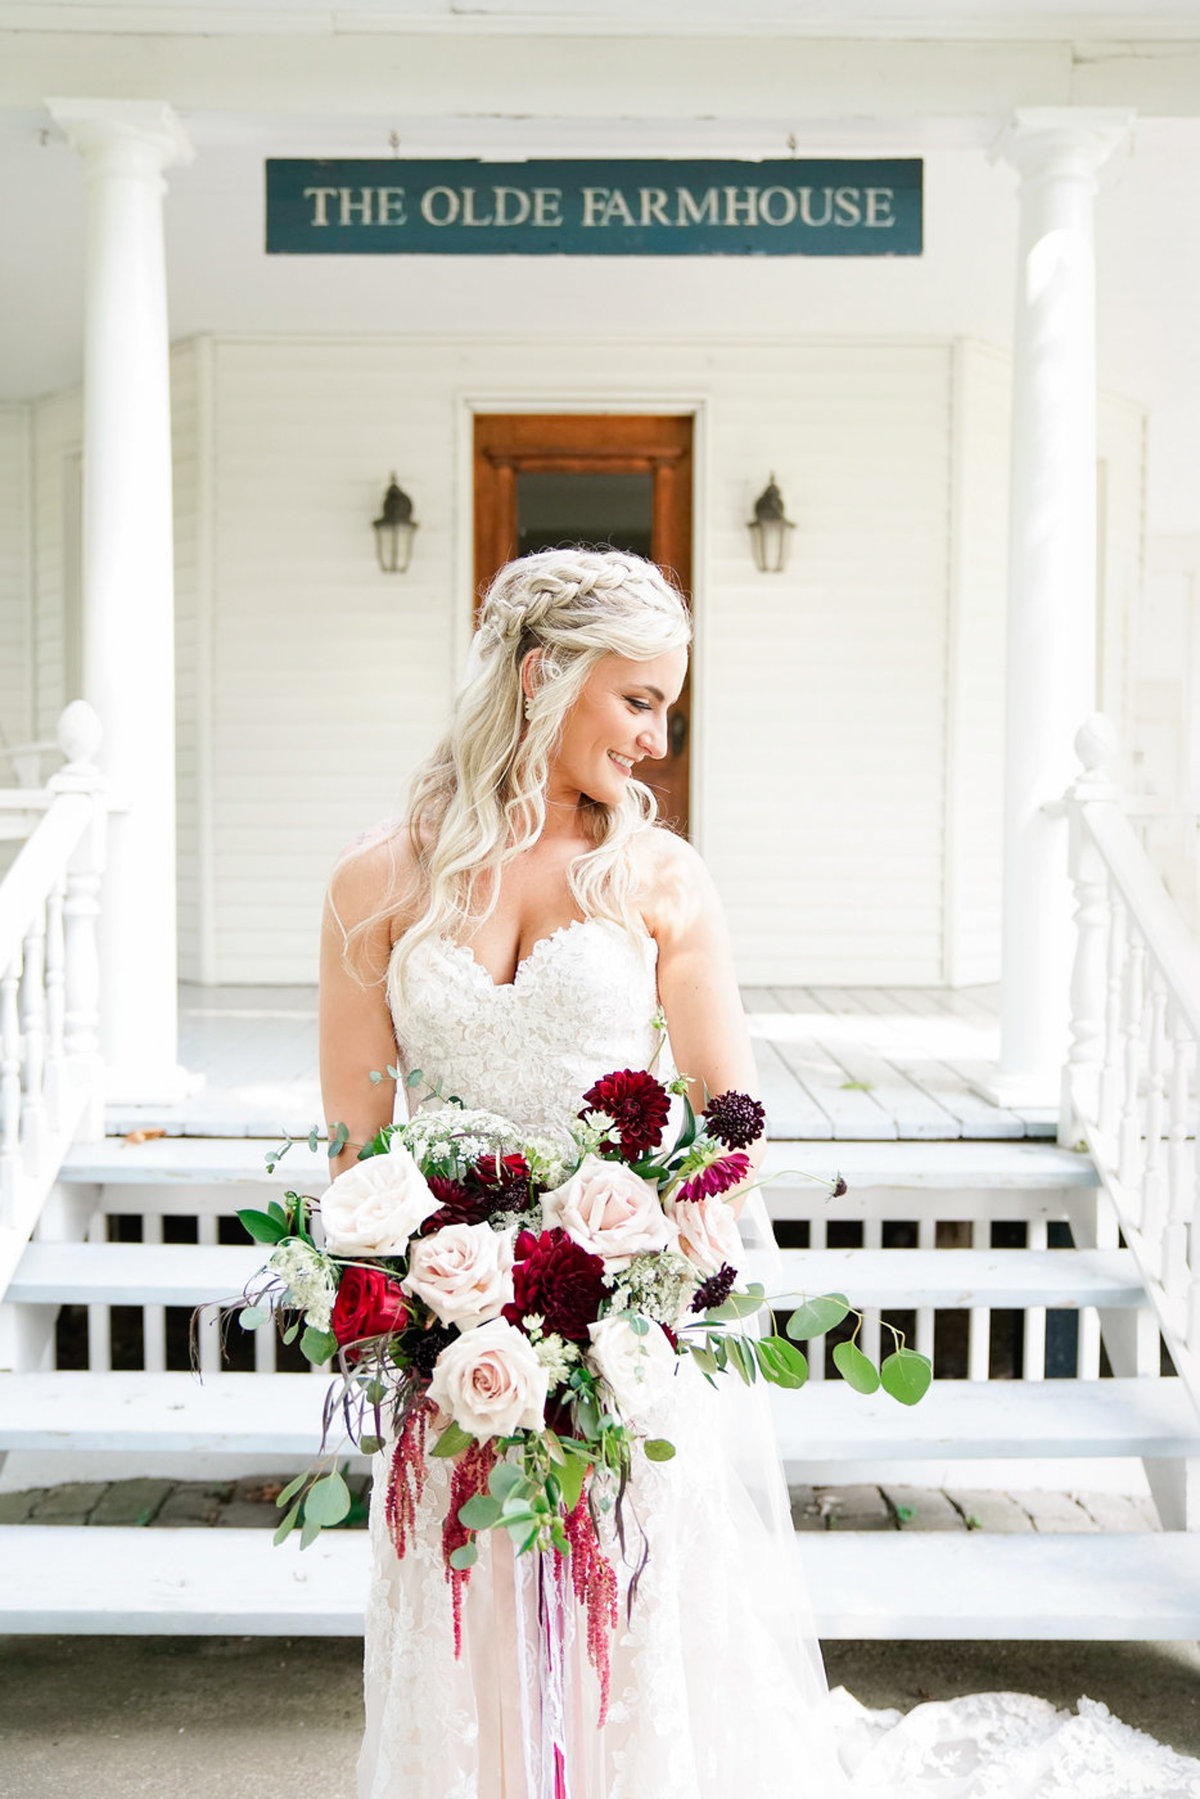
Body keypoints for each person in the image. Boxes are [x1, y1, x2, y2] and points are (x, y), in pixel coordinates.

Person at [319, 548, 1200, 1799]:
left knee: (626, 1630)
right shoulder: (376, 882)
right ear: (540, 679)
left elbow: (728, 1127)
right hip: (452, 1342)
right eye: (637, 699)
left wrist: (627, 1262)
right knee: (471, 1612)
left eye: (667, 705)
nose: (657, 736)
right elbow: (359, 1147)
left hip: (620, 1332)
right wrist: (413, 1294)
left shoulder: (658, 877)